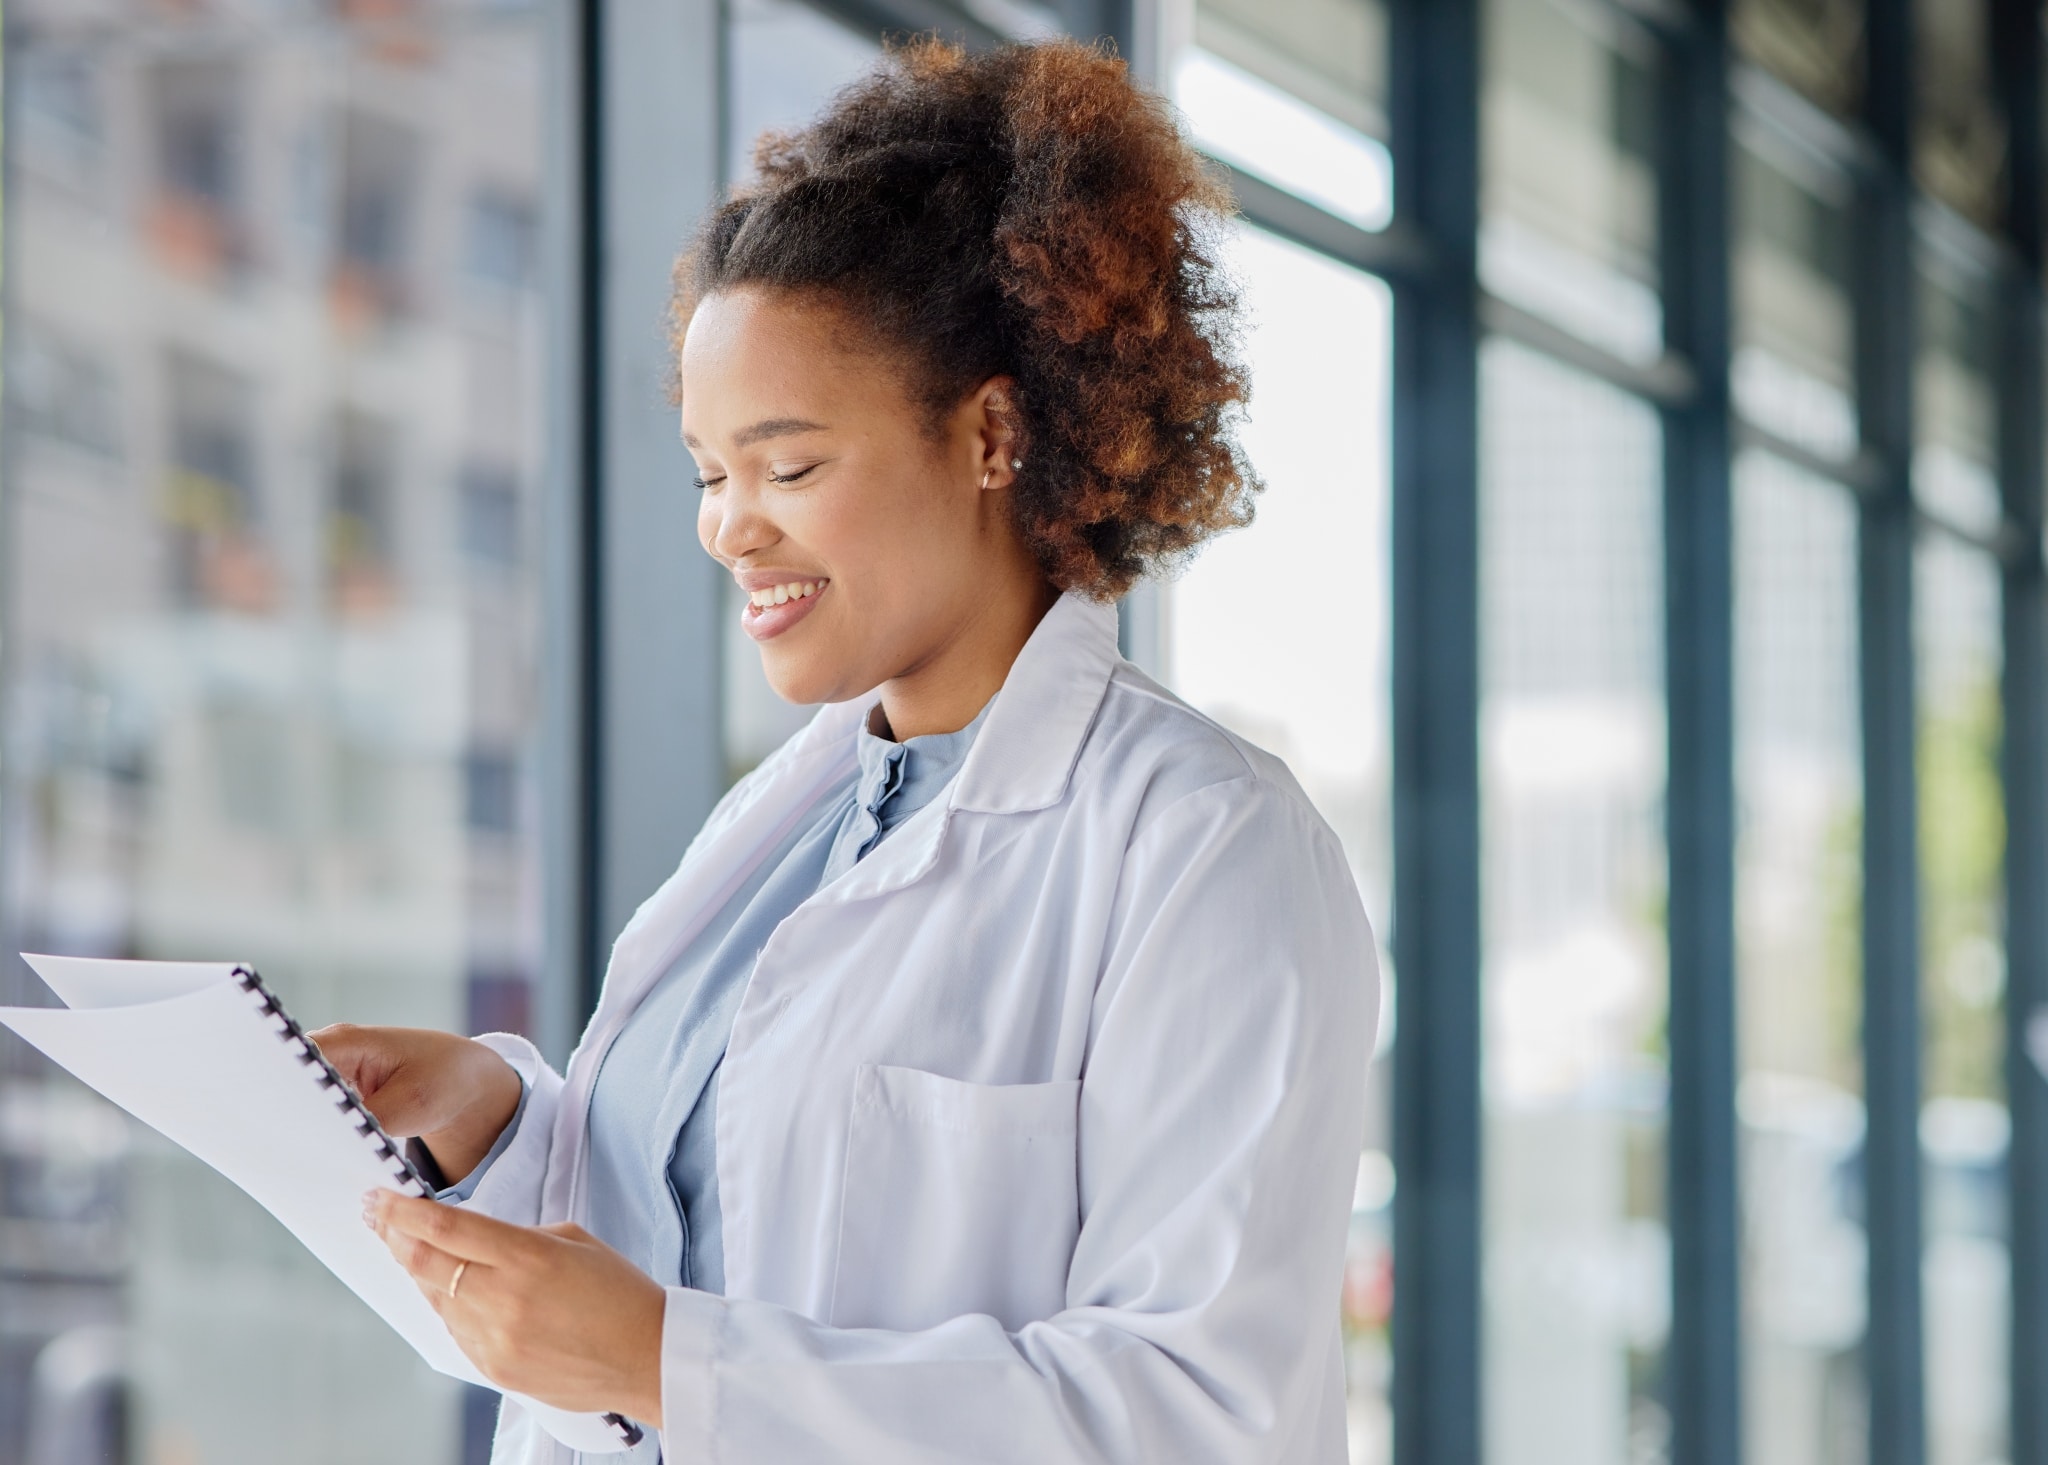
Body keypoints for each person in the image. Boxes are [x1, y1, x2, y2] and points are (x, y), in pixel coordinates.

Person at [317, 36, 1378, 1464]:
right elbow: (711, 1226)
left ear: (993, 433)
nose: (728, 525)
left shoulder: (1206, 846)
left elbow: (1189, 1416)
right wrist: (508, 1127)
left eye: (789, 465)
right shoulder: (778, 825)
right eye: (709, 471)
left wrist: (669, 1360)